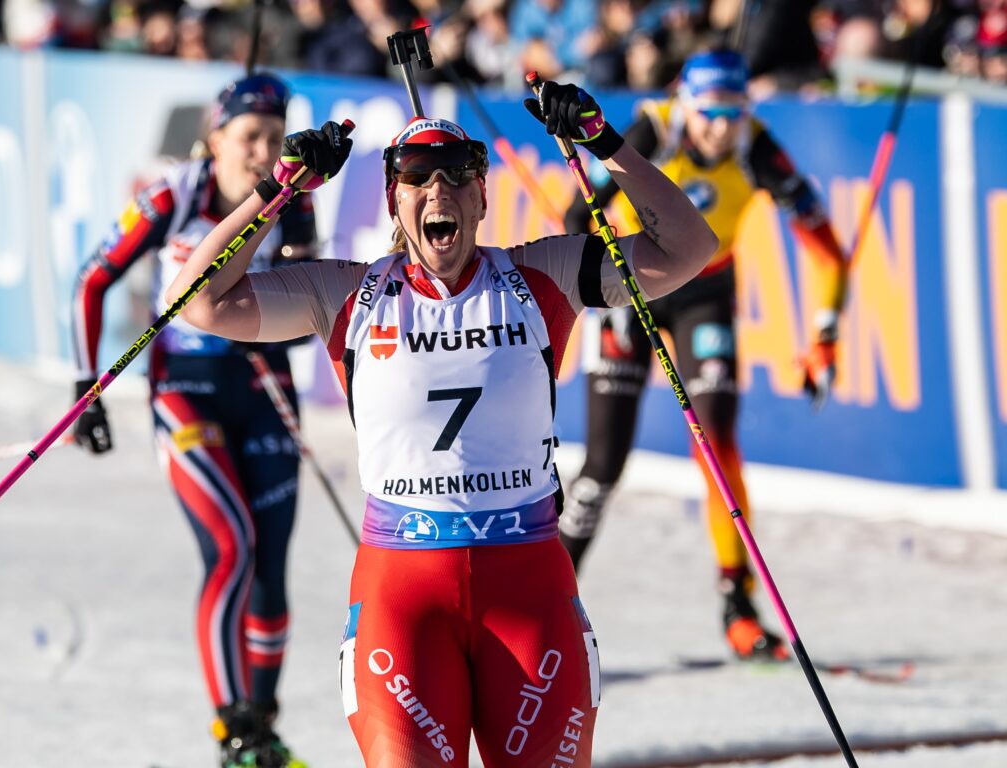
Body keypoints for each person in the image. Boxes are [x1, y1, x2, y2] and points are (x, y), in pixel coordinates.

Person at [166, 83, 717, 766]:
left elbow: (690, 247)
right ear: (394, 201)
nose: (439, 190)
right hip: (403, 594)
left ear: (484, 196)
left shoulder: (542, 273)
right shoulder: (348, 292)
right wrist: (281, 189)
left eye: (458, 174)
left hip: (529, 589)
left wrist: (604, 141)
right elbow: (196, 301)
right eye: (417, 177)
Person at [559, 47, 851, 661]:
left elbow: (828, 249)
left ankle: (737, 603)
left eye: (735, 112)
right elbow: (574, 217)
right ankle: (548, 596)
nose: (722, 127)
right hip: (633, 281)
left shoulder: (757, 148)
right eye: (711, 112)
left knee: (717, 440)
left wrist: (824, 335)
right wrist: (596, 237)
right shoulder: (654, 129)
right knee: (605, 464)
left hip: (707, 294)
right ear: (686, 103)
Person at [68, 72, 319, 768]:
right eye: (248, 138)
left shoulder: (292, 196)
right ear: (215, 140)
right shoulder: (174, 194)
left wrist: (273, 323)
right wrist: (84, 386)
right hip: (184, 390)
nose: (263, 152)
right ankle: (232, 726)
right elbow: (93, 280)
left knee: (270, 570)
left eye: (274, 137)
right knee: (231, 547)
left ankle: (262, 726)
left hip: (262, 387)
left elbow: (308, 303)